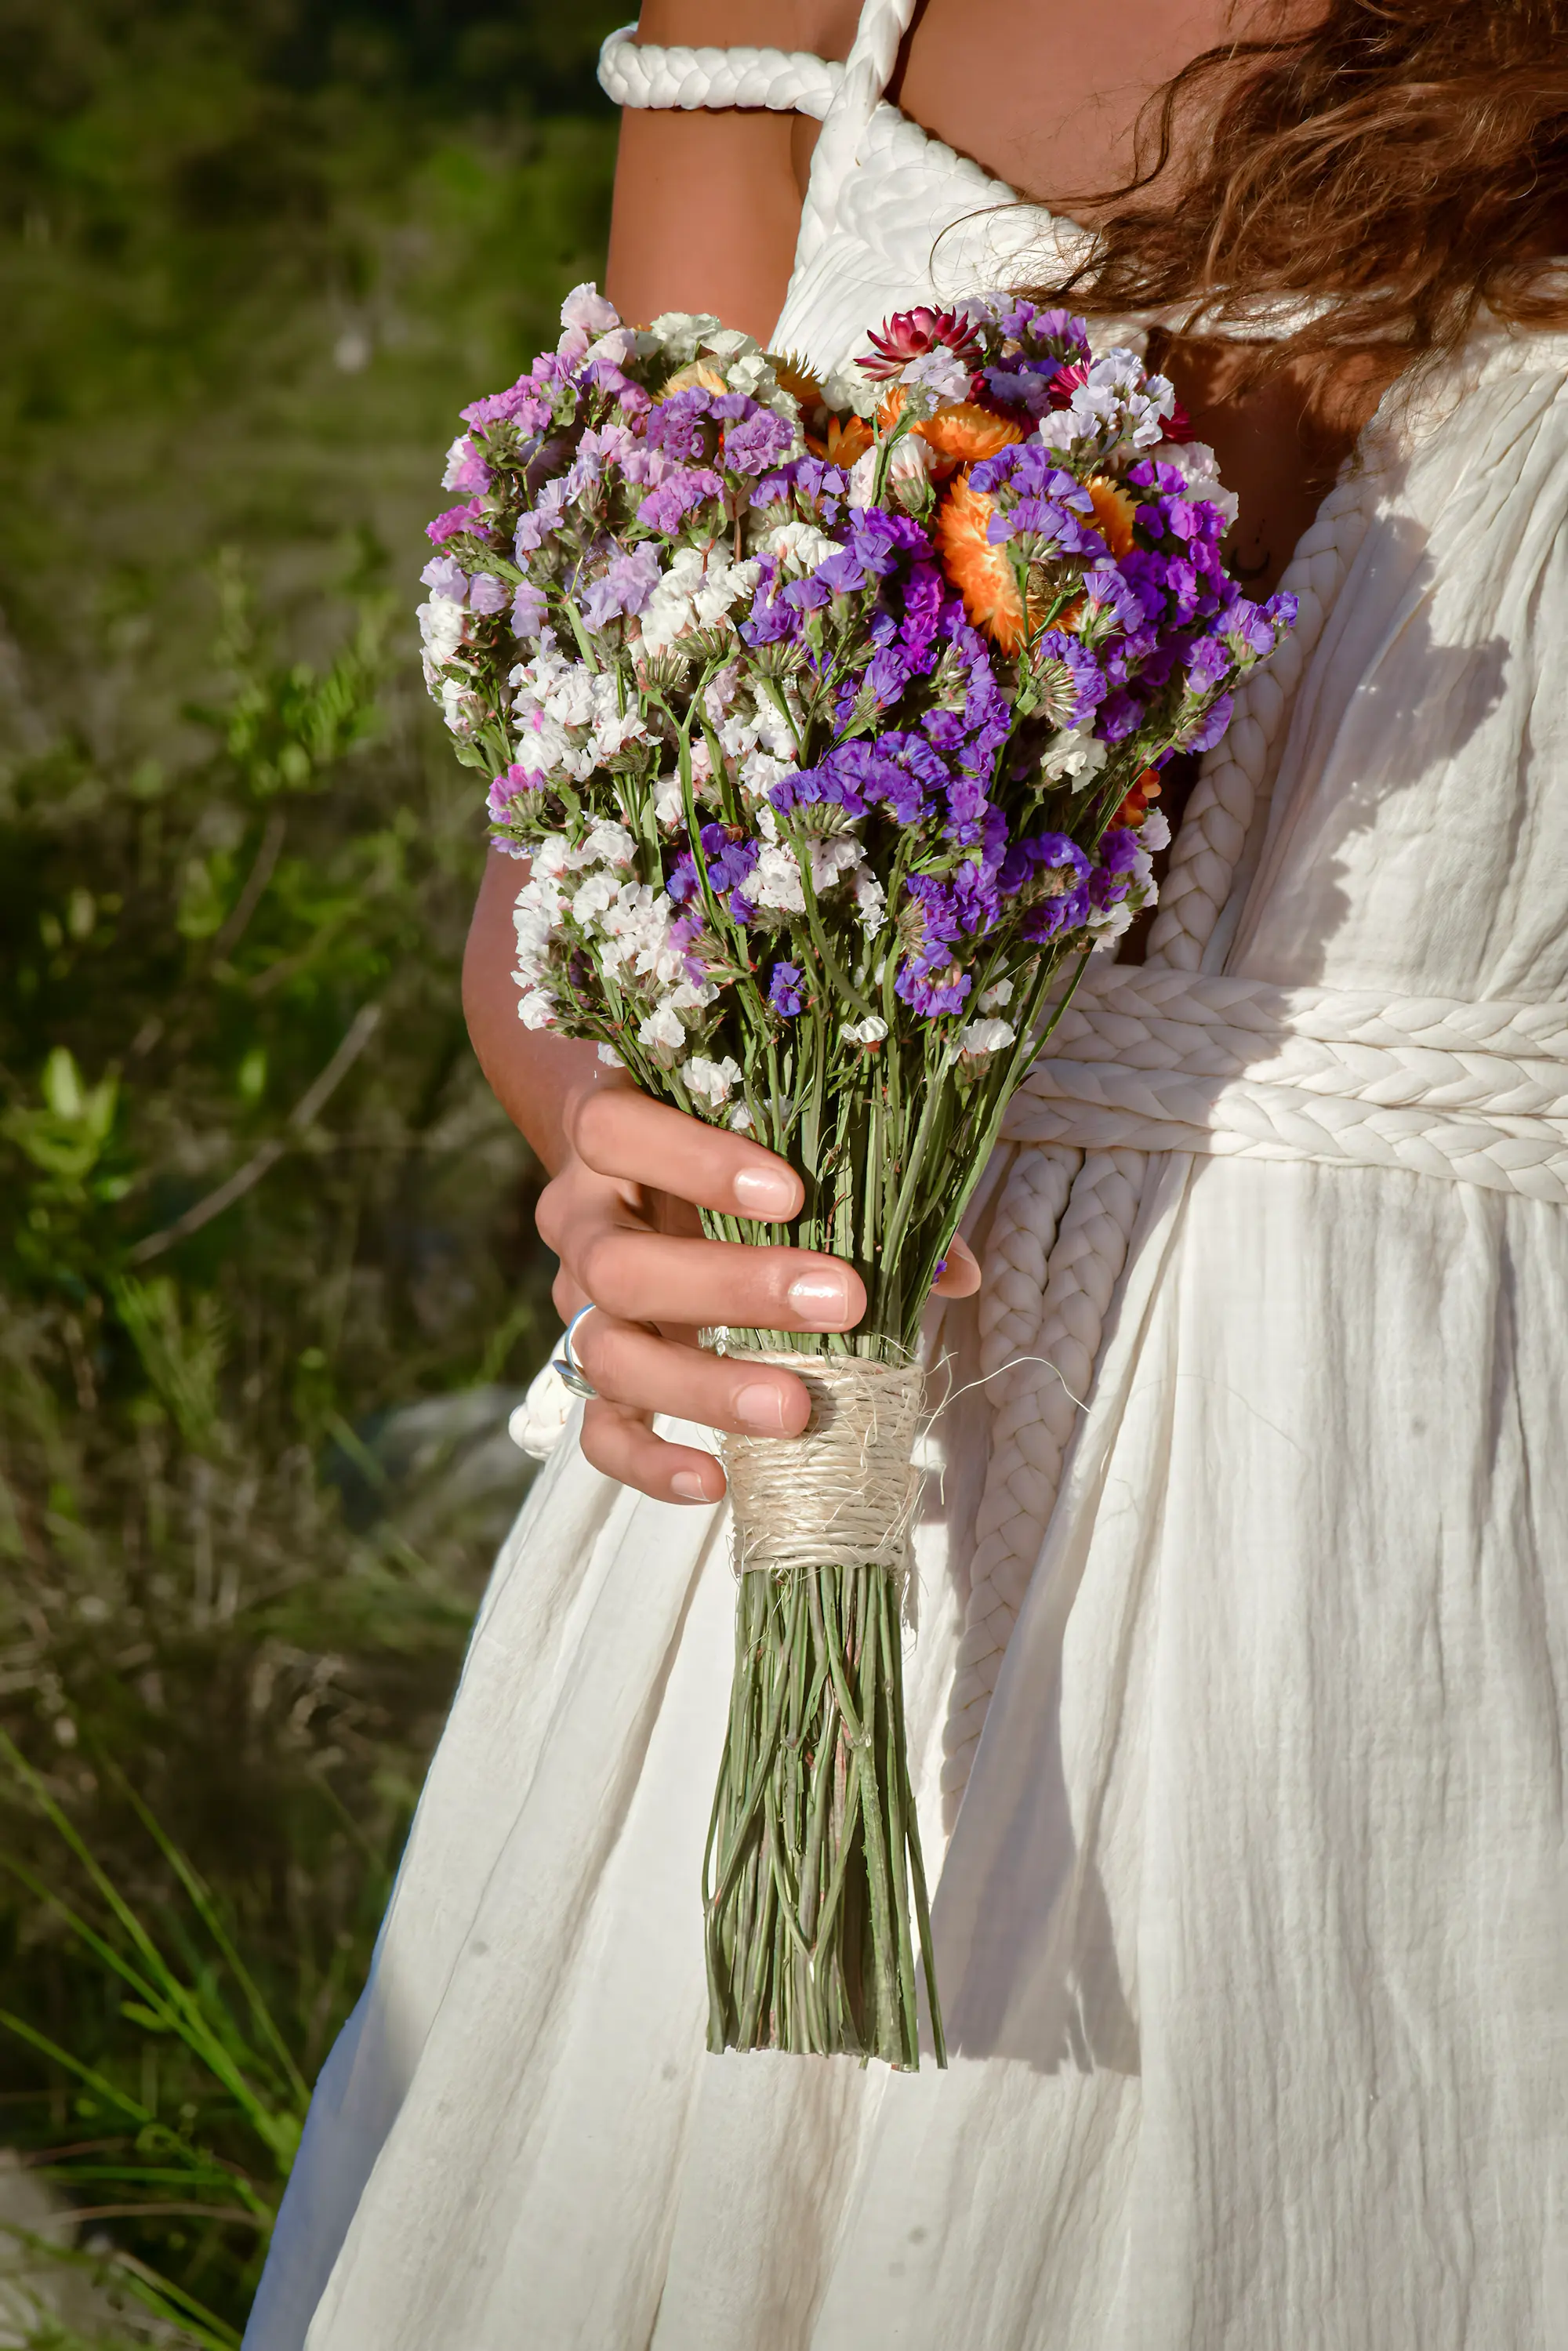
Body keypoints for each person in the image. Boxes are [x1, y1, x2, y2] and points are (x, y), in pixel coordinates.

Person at [244, 3, 1568, 2344]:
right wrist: (622, 1151)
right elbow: (574, 851)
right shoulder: (797, 19)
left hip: (1466, 1525)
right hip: (824, 1499)